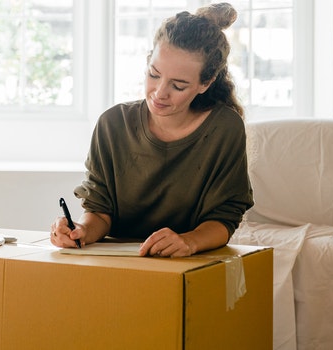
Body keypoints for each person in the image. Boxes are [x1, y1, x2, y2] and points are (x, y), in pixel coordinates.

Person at [50, 3, 253, 258]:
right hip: (118, 263)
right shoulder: (112, 124)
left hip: (189, 262)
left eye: (178, 86)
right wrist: (80, 231)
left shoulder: (225, 128)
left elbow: (225, 217)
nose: (159, 93)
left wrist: (188, 241)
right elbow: (100, 211)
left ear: (206, 83)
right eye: (154, 74)